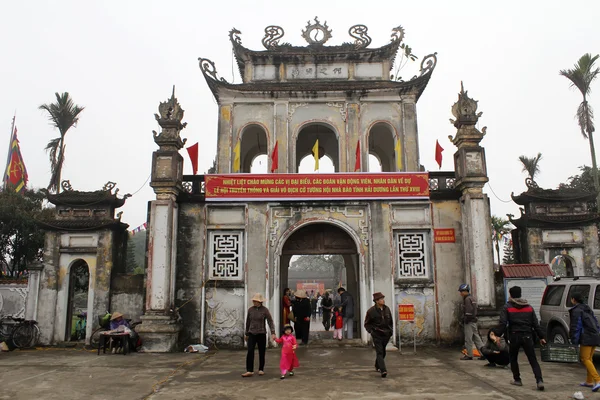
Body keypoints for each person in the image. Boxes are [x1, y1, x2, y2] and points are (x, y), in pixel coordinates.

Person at [496, 286, 546, 390]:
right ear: (520, 294)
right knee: (533, 359)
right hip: (527, 336)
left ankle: (517, 379)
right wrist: (541, 337)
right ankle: (539, 381)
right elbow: (535, 324)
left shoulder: (507, 307)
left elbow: (503, 323)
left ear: (510, 294)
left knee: (513, 358)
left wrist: (497, 335)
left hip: (514, 336)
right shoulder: (529, 307)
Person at [569, 291, 600, 391]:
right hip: (595, 335)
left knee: (584, 359)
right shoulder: (587, 309)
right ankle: (589, 381)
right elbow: (595, 322)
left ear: (573, 300)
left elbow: (576, 327)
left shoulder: (576, 311)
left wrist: (574, 341)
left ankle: (598, 380)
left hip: (586, 337)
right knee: (589, 359)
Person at [242, 293, 276, 378]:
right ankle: (249, 370)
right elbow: (248, 322)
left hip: (261, 333)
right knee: (250, 351)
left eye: (256, 301)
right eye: (254, 301)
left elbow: (270, 321)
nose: (254, 302)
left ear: (260, 302)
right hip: (252, 333)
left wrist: (273, 332)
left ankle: (261, 369)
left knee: (262, 352)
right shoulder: (250, 310)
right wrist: (246, 333)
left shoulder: (265, 310)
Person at [364, 292, 393, 378]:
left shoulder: (386, 309)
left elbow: (390, 321)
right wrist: (371, 331)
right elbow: (367, 324)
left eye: (383, 299)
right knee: (379, 351)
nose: (383, 300)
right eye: (381, 299)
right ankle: (383, 370)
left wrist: (390, 331)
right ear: (376, 301)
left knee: (383, 351)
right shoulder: (371, 311)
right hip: (377, 334)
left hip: (386, 334)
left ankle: (377, 365)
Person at [458, 284, 484, 360]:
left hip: (469, 321)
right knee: (476, 338)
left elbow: (468, 312)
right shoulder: (472, 298)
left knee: (468, 338)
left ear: (465, 291)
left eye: (461, 291)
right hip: (473, 321)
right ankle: (483, 353)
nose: (461, 293)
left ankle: (469, 355)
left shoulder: (467, 299)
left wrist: (465, 320)